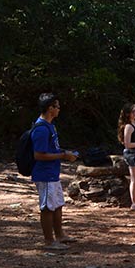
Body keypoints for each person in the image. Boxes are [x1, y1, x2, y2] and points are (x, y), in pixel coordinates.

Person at [31, 93, 79, 250]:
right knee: (47, 207)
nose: (59, 109)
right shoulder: (41, 129)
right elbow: (38, 155)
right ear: (50, 108)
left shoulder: (51, 126)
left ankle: (60, 235)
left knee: (58, 204)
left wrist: (65, 153)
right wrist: (63, 155)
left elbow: (52, 149)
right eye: (57, 106)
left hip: (53, 173)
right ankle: (49, 241)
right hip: (44, 174)